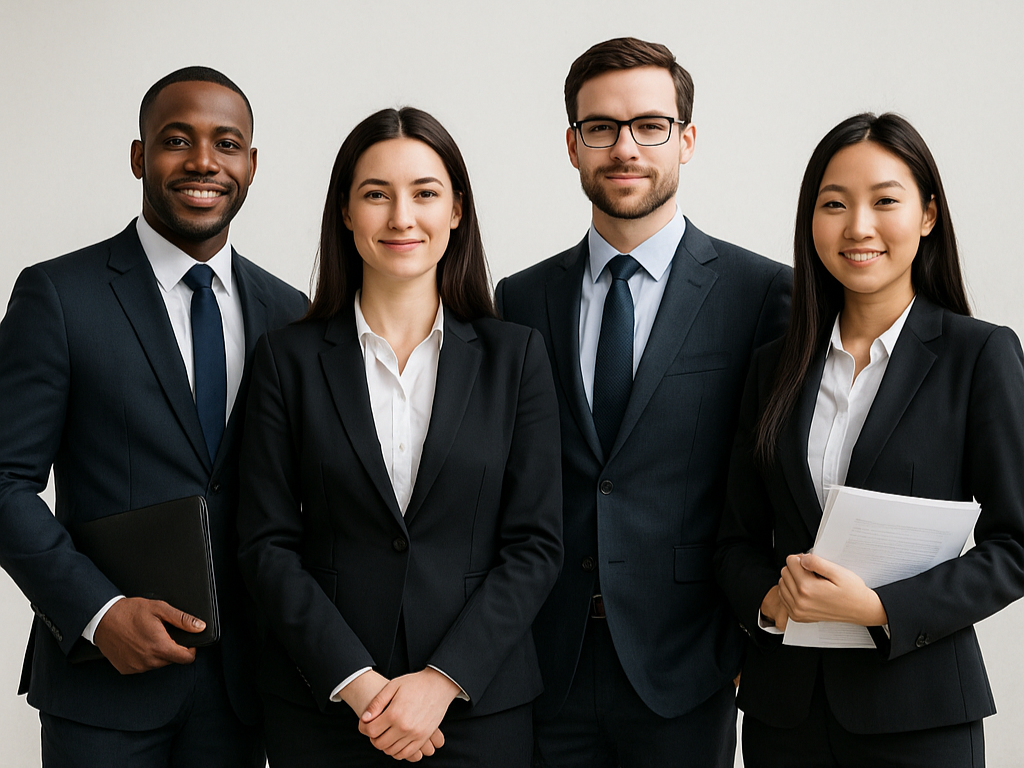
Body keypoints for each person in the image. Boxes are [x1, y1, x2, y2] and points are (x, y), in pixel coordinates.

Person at [236, 106, 563, 767]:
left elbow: (535, 545)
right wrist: (356, 684)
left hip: (477, 711)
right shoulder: (286, 359)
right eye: (375, 195)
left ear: (457, 211)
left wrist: (442, 682)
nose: (401, 218)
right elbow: (265, 544)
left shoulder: (516, 357)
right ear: (347, 214)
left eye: (425, 193)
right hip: (324, 711)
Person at [495, 37, 791, 767]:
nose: (625, 147)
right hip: (546, 664)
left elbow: (770, 483)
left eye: (650, 125)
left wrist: (750, 639)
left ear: (686, 140)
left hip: (687, 664)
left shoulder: (761, 295)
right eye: (601, 127)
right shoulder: (522, 298)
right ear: (572, 146)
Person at [0, 67, 307, 766]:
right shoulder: (58, 295)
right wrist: (98, 613)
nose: (204, 161)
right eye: (177, 140)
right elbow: (4, 480)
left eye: (226, 143)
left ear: (251, 165)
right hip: (102, 690)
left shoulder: (289, 315)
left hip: (244, 695)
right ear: (139, 156)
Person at [714, 112, 1024, 767]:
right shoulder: (775, 365)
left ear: (928, 216)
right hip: (784, 718)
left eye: (885, 201)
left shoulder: (980, 355)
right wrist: (768, 600)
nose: (858, 226)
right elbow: (735, 537)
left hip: (921, 718)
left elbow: (1016, 544)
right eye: (834, 204)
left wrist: (883, 607)